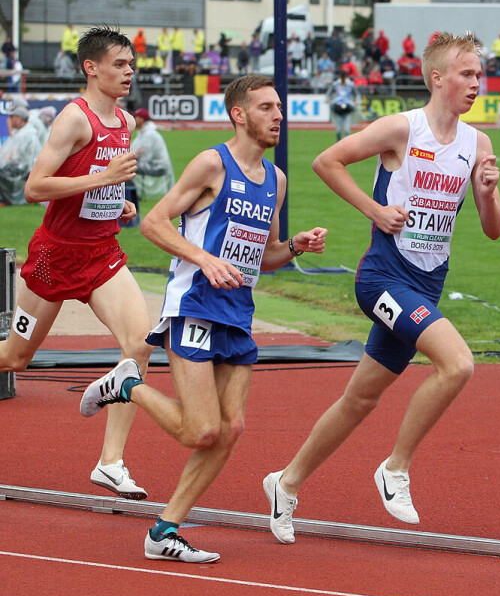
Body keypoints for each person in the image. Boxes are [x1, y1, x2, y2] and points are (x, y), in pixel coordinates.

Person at [262, 32, 500, 544]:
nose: (476, 84)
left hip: (427, 283)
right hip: (382, 279)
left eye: (480, 76)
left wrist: (487, 194)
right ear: (437, 78)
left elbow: (493, 227)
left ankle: (285, 482)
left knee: (359, 399)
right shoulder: (401, 129)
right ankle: (395, 468)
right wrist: (374, 211)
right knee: (457, 363)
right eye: (467, 74)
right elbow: (325, 161)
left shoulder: (478, 144)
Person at [80, 74, 327, 563]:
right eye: (265, 108)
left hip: (237, 313)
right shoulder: (212, 164)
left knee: (230, 429)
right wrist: (204, 259)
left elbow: (265, 255)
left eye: (279, 107)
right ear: (239, 114)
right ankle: (126, 386)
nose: (278, 115)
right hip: (193, 304)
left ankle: (164, 531)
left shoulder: (276, 180)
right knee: (201, 431)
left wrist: (295, 245)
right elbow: (153, 222)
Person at [0, 26, 151, 500]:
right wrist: (102, 178)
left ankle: (111, 462)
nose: (129, 72)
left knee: (140, 343)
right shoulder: (73, 119)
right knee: (14, 357)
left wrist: (118, 201)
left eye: (131, 65)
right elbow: (35, 188)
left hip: (102, 254)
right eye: (120, 64)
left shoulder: (124, 122)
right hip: (55, 258)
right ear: (92, 67)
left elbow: (103, 183)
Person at [0, 103, 43, 205]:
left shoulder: (27, 133)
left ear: (19, 118)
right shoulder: (20, 132)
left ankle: (7, 199)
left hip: (25, 168)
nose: (9, 119)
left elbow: (22, 157)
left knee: (2, 171)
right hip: (21, 165)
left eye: (12, 116)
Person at [130, 108, 174, 200]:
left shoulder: (149, 134)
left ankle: (133, 195)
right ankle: (133, 194)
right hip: (152, 164)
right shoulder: (143, 133)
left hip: (158, 166)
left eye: (137, 117)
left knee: (126, 169)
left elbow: (143, 155)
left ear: (143, 119)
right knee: (127, 167)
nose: (135, 119)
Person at [327, 70, 361, 141]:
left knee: (347, 130)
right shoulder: (335, 84)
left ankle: (346, 146)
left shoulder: (350, 84)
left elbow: (357, 94)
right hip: (337, 107)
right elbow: (329, 93)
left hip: (348, 107)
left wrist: (356, 101)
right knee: (338, 130)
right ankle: (338, 145)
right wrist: (328, 99)